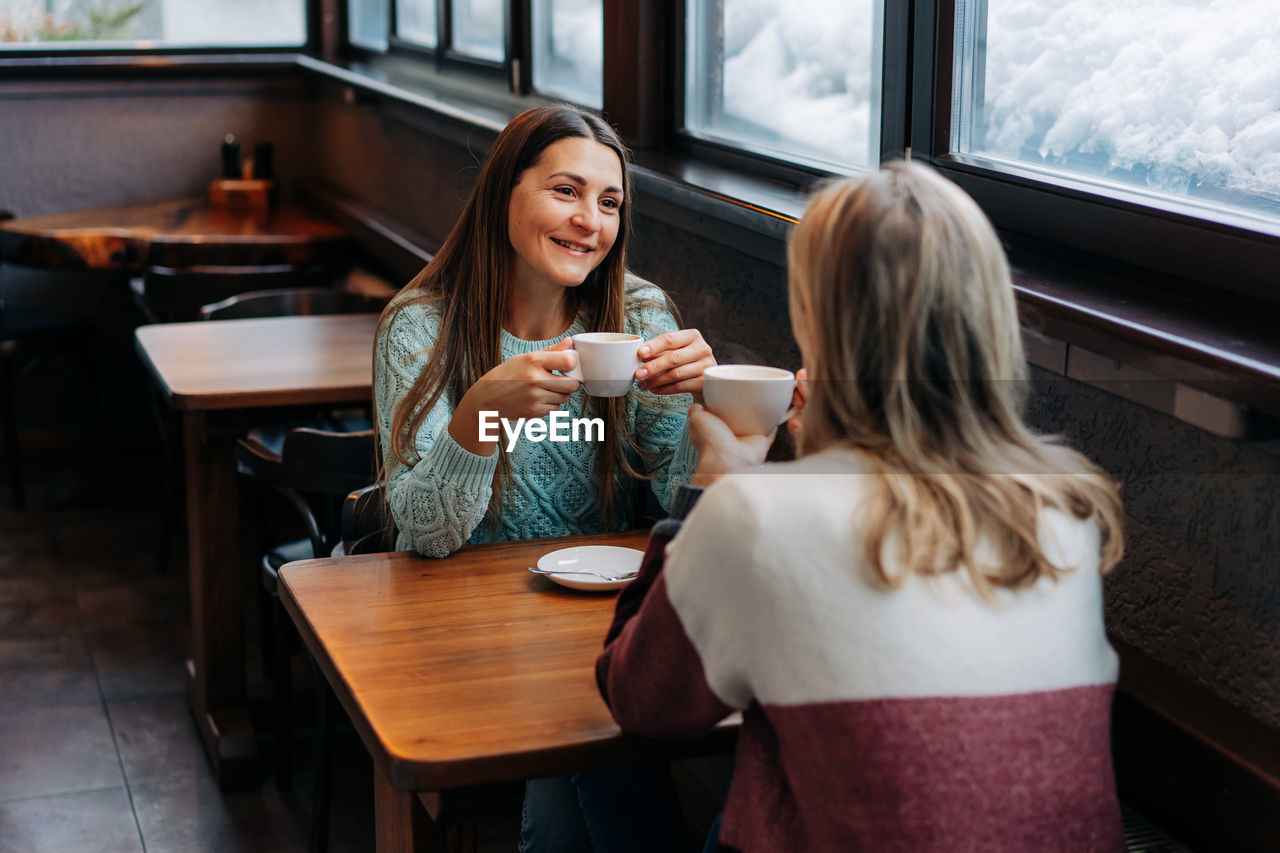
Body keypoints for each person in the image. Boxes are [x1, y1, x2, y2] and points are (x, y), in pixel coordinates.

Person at [596, 161, 1128, 852]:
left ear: (823, 325)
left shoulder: (754, 518)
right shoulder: (1064, 510)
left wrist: (714, 485)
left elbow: (641, 699)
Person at [374, 104, 713, 851]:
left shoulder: (639, 315)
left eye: (610, 202)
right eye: (566, 191)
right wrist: (475, 421)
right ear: (504, 195)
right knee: (597, 748)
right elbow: (422, 534)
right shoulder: (421, 328)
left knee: (592, 743)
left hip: (594, 620)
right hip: (462, 632)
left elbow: (677, 499)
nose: (590, 220)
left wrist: (705, 418)